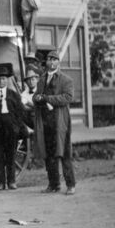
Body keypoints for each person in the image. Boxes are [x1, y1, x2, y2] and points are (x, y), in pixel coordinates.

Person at [32, 49, 76, 195]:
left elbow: (68, 97)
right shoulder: (42, 78)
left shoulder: (65, 79)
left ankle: (70, 184)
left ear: (58, 62)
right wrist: (37, 98)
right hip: (45, 120)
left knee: (64, 153)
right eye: (49, 59)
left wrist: (48, 98)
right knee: (49, 153)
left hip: (60, 120)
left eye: (54, 59)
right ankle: (53, 184)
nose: (51, 62)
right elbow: (37, 95)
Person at [20, 66, 43, 130]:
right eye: (28, 80)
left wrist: (30, 105)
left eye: (33, 79)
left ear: (37, 80)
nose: (31, 82)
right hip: (31, 121)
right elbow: (23, 107)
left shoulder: (42, 91)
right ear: (26, 82)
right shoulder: (23, 94)